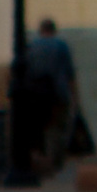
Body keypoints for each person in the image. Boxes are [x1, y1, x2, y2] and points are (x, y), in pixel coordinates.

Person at [28, 18, 78, 178]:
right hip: (58, 94)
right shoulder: (61, 46)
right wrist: (75, 97)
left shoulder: (32, 46)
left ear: (41, 30)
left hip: (35, 95)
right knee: (56, 130)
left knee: (37, 130)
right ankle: (54, 163)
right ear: (54, 30)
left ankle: (40, 164)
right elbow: (70, 74)